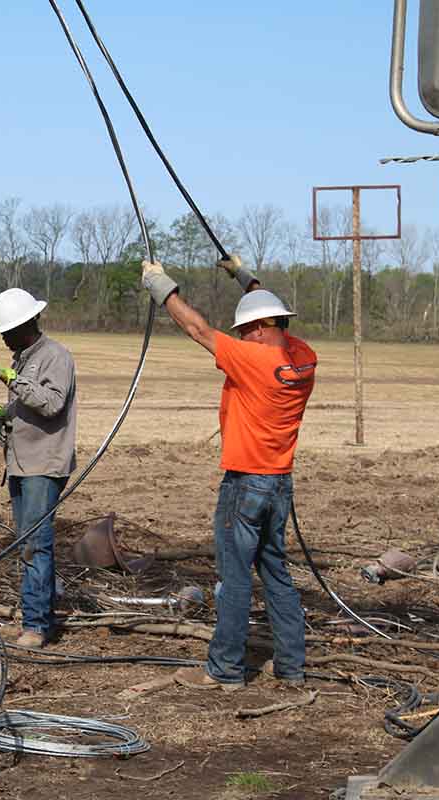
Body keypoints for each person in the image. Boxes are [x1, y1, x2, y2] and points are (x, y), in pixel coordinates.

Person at [141, 255, 316, 691]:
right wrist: (243, 276)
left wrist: (160, 284)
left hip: (245, 484)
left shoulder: (252, 360)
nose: (241, 336)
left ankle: (224, 670)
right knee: (275, 573)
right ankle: (291, 666)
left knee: (234, 579)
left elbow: (198, 329)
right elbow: (269, 312)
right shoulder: (304, 358)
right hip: (279, 485)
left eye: (244, 330)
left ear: (258, 329)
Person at [0, 288, 77, 649]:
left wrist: (11, 379)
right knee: (26, 543)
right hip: (20, 463)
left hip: (43, 465)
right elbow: (28, 405)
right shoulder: (22, 359)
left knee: (35, 544)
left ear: (27, 324)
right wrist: (4, 415)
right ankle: (40, 614)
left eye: (8, 331)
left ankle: (35, 625)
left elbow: (51, 403)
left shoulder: (55, 356)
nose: (4, 338)